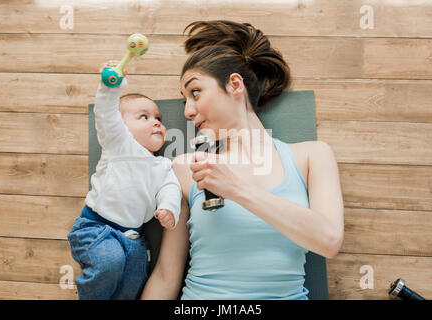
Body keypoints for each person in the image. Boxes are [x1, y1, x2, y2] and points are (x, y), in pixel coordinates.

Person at [141, 20, 344, 300]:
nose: (187, 110)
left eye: (195, 92)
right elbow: (166, 276)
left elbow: (329, 241)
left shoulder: (312, 156)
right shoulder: (186, 168)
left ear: (235, 84)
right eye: (184, 98)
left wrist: (235, 189)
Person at [67, 61, 182, 299]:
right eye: (144, 117)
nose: (156, 122)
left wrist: (168, 208)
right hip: (98, 229)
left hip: (135, 239)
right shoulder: (119, 143)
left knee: (133, 283)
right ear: (122, 126)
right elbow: (106, 114)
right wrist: (111, 87)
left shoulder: (163, 166)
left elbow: (170, 188)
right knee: (109, 262)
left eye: (158, 117)